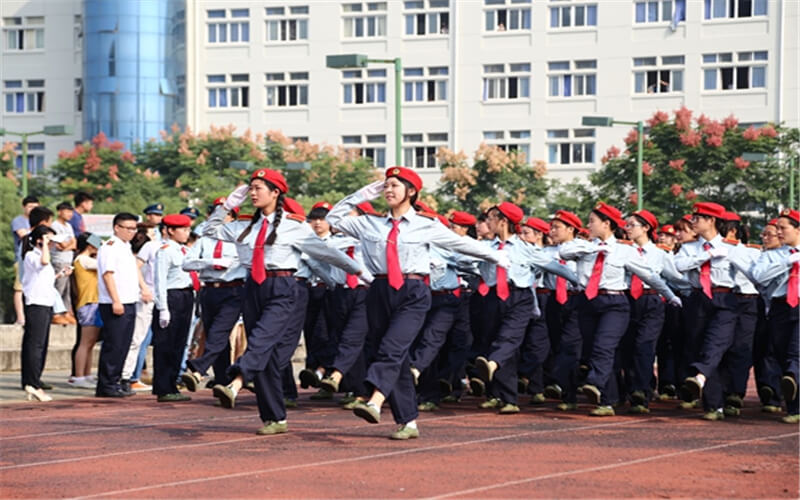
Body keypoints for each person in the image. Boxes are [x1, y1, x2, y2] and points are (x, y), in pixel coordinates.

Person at [327, 167, 508, 439]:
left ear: (411, 192)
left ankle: (375, 399)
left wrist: (497, 258)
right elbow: (333, 218)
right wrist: (362, 194)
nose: (388, 190)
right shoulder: (369, 223)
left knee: (393, 346)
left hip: (413, 291)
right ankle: (408, 421)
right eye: (385, 186)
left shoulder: (427, 225)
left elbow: (461, 244)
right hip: (379, 289)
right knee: (391, 355)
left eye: (394, 186)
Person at [205, 168, 364, 436]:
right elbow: (208, 228)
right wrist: (230, 204)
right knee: (266, 355)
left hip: (284, 287)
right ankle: (274, 417)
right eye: (250, 188)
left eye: (258, 188)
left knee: (261, 340)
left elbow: (325, 253)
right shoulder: (245, 225)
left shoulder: (295, 226)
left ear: (275, 193)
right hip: (253, 287)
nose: (253, 193)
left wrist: (358, 272)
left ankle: (237, 379)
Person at [560, 202, 681, 416]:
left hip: (614, 304)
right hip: (587, 302)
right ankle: (607, 400)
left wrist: (670, 296)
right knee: (597, 350)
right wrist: (595, 247)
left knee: (604, 346)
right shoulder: (583, 246)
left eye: (592, 222)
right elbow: (564, 251)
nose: (588, 225)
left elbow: (648, 276)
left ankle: (596, 382)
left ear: (607, 224)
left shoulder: (624, 251)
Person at [470, 203, 578, 414]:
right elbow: (467, 262)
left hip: (520, 296)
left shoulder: (525, 248)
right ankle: (507, 397)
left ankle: (494, 366)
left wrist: (578, 282)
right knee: (496, 342)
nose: (487, 222)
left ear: (503, 221)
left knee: (509, 338)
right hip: (493, 297)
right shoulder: (485, 248)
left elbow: (554, 266)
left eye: (492, 218)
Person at [674, 202, 754, 420]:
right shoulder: (690, 248)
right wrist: (705, 257)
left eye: (697, 218)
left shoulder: (733, 248)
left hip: (725, 297)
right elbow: (678, 266)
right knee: (701, 346)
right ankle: (713, 405)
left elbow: (752, 273)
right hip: (698, 298)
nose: (693, 222)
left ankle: (700, 378)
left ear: (711, 221)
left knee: (717, 343)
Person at [619, 210, 687, 413]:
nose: (627, 229)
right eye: (627, 225)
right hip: (627, 299)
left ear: (646, 228)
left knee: (645, 345)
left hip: (652, 301)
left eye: (632, 225)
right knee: (627, 347)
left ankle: (642, 392)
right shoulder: (623, 251)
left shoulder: (660, 254)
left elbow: (675, 278)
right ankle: (630, 389)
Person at [181, 200, 245, 393]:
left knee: (219, 332)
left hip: (233, 290)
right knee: (216, 337)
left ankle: (198, 369)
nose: (217, 218)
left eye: (223, 214)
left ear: (232, 218)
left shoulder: (241, 239)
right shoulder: (204, 240)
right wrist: (211, 262)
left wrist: (228, 264)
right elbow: (187, 264)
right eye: (214, 213)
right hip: (209, 290)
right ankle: (222, 380)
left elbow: (245, 263)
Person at [751, 208, 800, 424]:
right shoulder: (773, 255)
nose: (778, 232)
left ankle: (793, 376)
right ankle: (794, 408)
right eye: (777, 228)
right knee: (781, 355)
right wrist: (789, 261)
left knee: (795, 353)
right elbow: (759, 276)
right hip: (780, 306)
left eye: (783, 228)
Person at [95, 213, 146, 398]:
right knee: (114, 345)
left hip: (129, 300)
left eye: (135, 228)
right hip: (115, 302)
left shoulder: (126, 246)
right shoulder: (110, 247)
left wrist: (142, 289)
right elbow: (108, 275)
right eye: (129, 228)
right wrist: (116, 300)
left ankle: (115, 381)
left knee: (124, 344)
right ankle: (106, 384)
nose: (132, 232)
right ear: (117, 227)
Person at [151, 214, 197, 402]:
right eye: (183, 229)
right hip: (171, 297)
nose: (187, 233)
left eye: (188, 229)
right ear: (170, 230)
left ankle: (173, 384)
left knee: (179, 343)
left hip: (186, 296)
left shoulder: (184, 250)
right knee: (166, 345)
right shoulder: (165, 251)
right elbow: (160, 281)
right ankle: (163, 387)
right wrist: (163, 307)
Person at [20, 225, 65, 401]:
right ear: (40, 240)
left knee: (41, 344)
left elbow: (42, 279)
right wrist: (44, 243)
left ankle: (32, 381)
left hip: (45, 303)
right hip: (36, 304)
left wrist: (59, 275)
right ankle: (33, 383)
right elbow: (44, 262)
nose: (53, 245)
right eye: (50, 241)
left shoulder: (40, 257)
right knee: (35, 345)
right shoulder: (32, 255)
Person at [69, 233, 104, 389]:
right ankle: (79, 376)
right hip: (88, 303)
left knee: (90, 343)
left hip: (94, 302)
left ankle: (86, 374)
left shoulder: (88, 259)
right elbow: (103, 264)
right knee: (85, 342)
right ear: (90, 245)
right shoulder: (82, 260)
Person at [12, 196, 40, 325]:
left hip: (37, 259)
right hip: (21, 258)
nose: (33, 209)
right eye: (30, 206)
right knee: (20, 288)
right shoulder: (18, 220)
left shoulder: (38, 222)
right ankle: (20, 317)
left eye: (35, 206)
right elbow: (23, 234)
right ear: (24, 207)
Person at [51, 202, 78, 325]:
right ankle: (55, 313)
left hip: (68, 260)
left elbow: (74, 242)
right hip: (59, 260)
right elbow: (60, 246)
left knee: (67, 289)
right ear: (59, 212)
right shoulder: (55, 226)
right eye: (67, 211)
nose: (69, 214)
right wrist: (69, 245)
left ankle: (66, 312)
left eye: (71, 212)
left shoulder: (69, 226)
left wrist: (68, 245)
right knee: (59, 287)